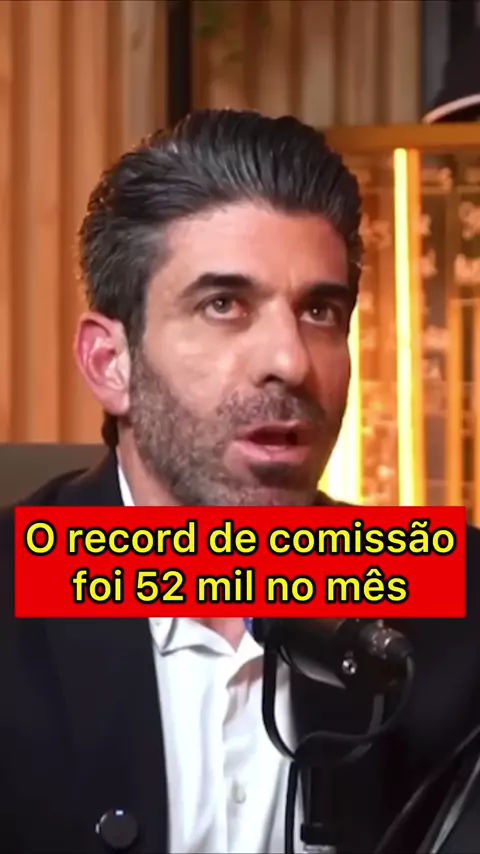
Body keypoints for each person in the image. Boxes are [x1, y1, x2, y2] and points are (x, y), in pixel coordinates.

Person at [1, 109, 479, 854]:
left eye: (320, 310)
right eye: (223, 305)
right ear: (109, 363)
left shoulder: (455, 596)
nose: (289, 361)